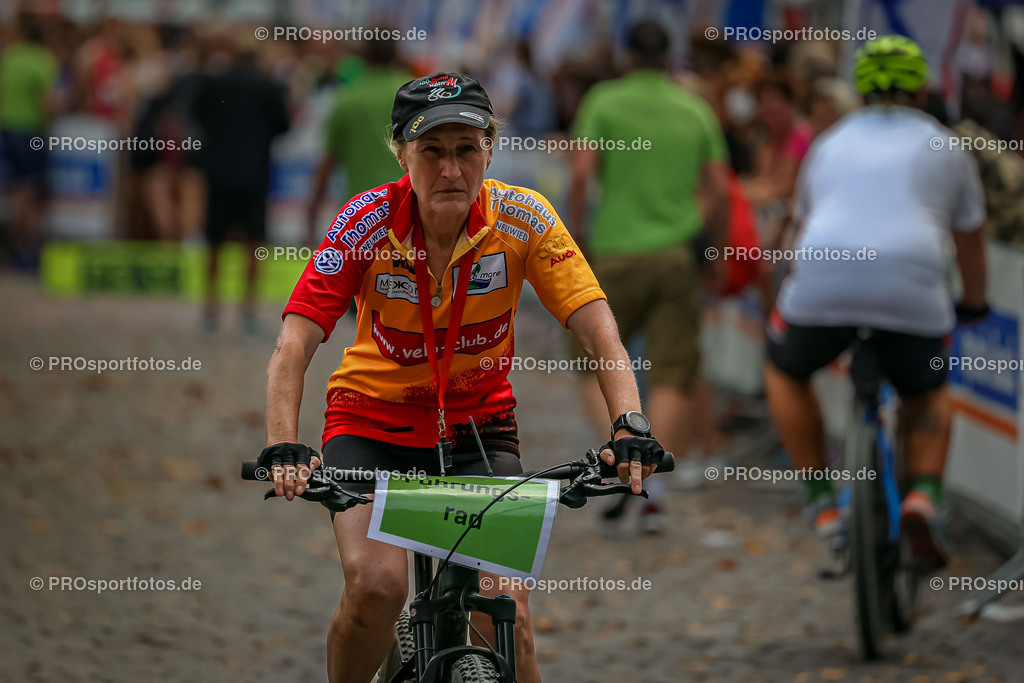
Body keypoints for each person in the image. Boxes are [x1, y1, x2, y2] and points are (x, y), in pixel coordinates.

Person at [258, 72, 667, 683]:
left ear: (490, 151)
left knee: (509, 618)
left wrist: (629, 423)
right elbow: (295, 339)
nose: (451, 169)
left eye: (466, 149)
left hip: (479, 431)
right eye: (432, 151)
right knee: (376, 587)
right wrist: (282, 442)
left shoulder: (524, 218)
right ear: (401, 154)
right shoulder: (365, 221)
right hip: (371, 424)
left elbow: (599, 331)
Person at [764, 36, 988, 570]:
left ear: (859, 90)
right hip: (911, 287)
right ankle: (923, 494)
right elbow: (971, 242)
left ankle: (820, 499)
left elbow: (801, 223)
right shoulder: (945, 144)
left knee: (784, 369)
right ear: (922, 91)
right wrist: (975, 301)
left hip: (824, 281)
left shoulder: (829, 142)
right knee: (928, 388)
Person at [567, 20, 730, 529]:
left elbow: (580, 173)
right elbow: (720, 189)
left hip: (613, 254)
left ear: (626, 55)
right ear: (669, 57)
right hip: (676, 256)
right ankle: (653, 484)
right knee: (673, 368)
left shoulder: (603, 101)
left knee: (593, 355)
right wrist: (712, 248)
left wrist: (576, 238)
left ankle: (622, 455)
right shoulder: (694, 108)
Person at [191, 42, 289, 334]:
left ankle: (211, 307)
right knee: (254, 242)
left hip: (218, 172)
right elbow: (283, 126)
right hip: (254, 173)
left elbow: (196, 117)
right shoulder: (269, 88)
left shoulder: (213, 85)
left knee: (214, 240)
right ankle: (248, 309)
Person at [306, 36, 410, 244]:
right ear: (396, 53)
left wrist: (313, 212)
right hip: (409, 205)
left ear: (364, 56)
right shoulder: (412, 93)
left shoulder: (347, 98)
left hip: (361, 213)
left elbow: (328, 161)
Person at [0, 12, 58, 267]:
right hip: (30, 129)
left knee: (14, 188)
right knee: (32, 190)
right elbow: (48, 102)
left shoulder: (10, 57)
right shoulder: (43, 60)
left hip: (6, 127)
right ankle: (23, 245)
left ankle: (14, 241)